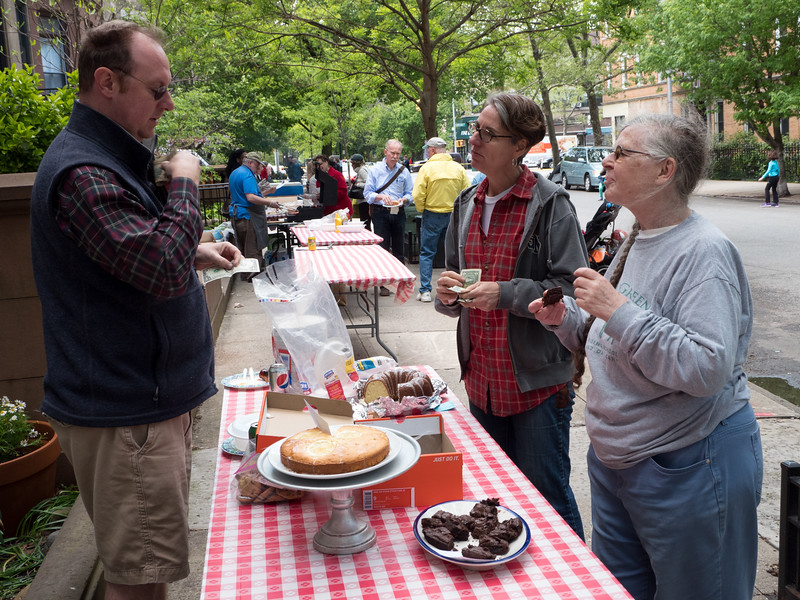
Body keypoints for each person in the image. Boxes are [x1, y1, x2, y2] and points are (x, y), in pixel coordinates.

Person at [29, 20, 243, 600]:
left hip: (141, 407)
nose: (168, 104)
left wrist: (191, 251)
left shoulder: (105, 157)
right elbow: (158, 265)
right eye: (158, 89)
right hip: (128, 415)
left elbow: (130, 257)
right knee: (140, 583)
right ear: (106, 82)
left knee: (147, 571)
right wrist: (185, 184)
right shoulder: (85, 170)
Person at [529, 113, 763, 600]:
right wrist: (566, 321)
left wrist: (617, 309)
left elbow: (705, 368)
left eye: (622, 153)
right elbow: (611, 337)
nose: (607, 162)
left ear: (664, 171)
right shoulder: (636, 237)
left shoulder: (705, 253)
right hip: (619, 459)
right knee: (620, 589)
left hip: (688, 461)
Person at [434, 92, 587, 537]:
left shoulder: (550, 204)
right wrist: (446, 294)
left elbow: (570, 289)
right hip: (481, 377)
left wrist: (505, 293)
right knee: (493, 499)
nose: (474, 140)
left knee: (548, 499)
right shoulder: (465, 204)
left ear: (520, 145)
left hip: (537, 384)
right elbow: (452, 288)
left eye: (487, 133)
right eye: (474, 130)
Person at [412, 137, 471, 302]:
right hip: (454, 214)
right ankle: (456, 289)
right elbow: (467, 192)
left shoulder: (427, 168)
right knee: (454, 253)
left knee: (426, 253)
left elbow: (417, 194)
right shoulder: (457, 168)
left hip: (432, 213)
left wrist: (421, 208)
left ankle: (425, 290)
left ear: (431, 150)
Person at [365, 139, 414, 295]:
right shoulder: (375, 170)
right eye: (392, 153)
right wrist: (380, 197)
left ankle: (399, 282)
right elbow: (367, 194)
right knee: (383, 248)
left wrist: (404, 200)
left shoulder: (403, 171)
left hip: (398, 211)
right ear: (385, 152)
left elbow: (410, 194)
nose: (395, 156)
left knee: (400, 248)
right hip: (380, 212)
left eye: (398, 154)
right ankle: (384, 284)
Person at [228, 151, 280, 277]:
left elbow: (245, 196)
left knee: (242, 248)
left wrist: (267, 192)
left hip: (237, 216)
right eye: (257, 164)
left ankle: (245, 274)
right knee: (252, 248)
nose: (259, 168)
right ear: (250, 162)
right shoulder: (247, 175)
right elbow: (250, 197)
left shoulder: (235, 173)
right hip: (247, 216)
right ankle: (253, 276)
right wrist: (270, 203)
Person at [349, 154, 371, 230]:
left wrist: (358, 184)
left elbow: (369, 184)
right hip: (364, 200)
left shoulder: (362, 170)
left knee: (365, 222)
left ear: (356, 163)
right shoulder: (363, 170)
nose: (352, 166)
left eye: (352, 164)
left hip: (364, 200)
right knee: (366, 222)